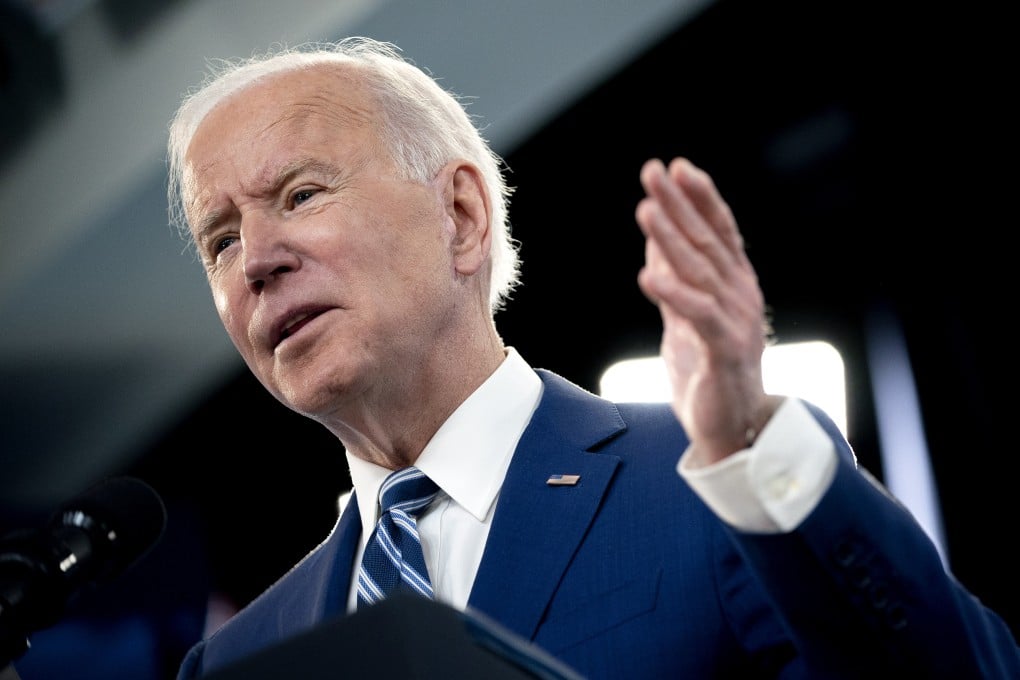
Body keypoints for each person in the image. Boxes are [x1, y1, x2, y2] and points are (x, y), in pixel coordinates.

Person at [166, 37, 1019, 679]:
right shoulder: (238, 660)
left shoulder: (712, 481)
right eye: (222, 239)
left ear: (460, 218)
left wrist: (754, 443)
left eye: (302, 195)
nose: (257, 261)